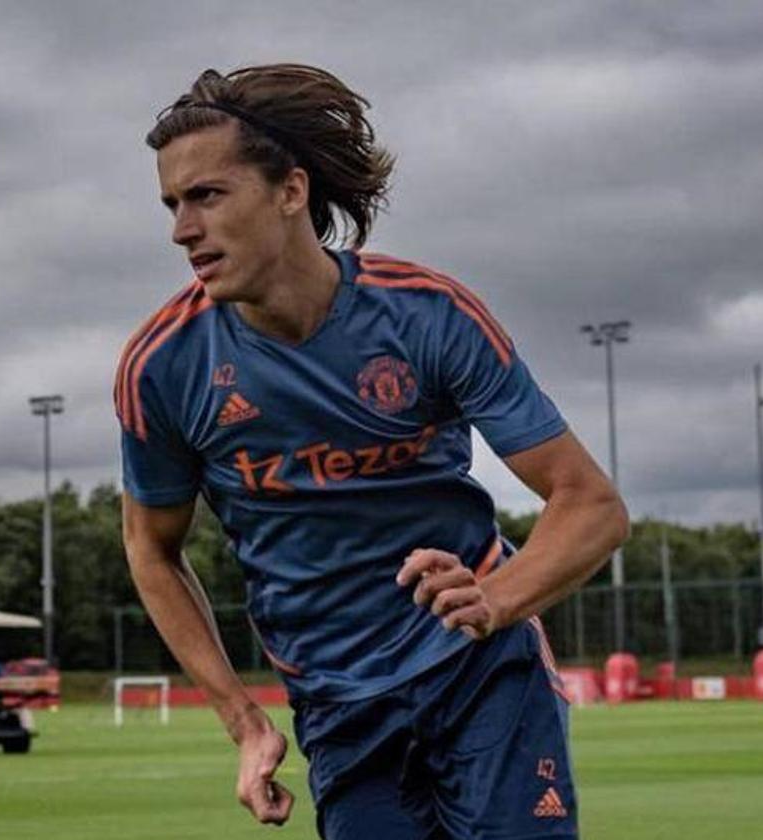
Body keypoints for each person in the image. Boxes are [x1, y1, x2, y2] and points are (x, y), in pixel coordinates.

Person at [116, 63, 628, 839]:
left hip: (479, 669)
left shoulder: (429, 316)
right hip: (339, 704)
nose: (182, 230)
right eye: (172, 204)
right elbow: (152, 551)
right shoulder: (163, 367)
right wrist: (243, 720)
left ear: (291, 191)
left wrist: (497, 598)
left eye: (207, 196)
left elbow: (591, 505)